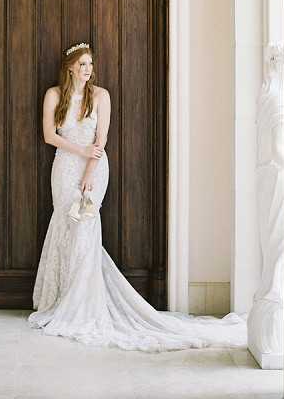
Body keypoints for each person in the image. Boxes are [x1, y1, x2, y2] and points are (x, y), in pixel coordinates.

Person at [27, 41, 247, 352]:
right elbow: (50, 136)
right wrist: (79, 151)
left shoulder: (101, 96)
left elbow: (101, 140)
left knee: (85, 230)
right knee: (64, 227)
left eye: (91, 64)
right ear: (70, 67)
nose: (88, 70)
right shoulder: (54, 95)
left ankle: (84, 305)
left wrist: (90, 170)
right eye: (83, 64)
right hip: (64, 168)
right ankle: (62, 299)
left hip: (94, 169)